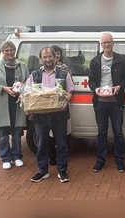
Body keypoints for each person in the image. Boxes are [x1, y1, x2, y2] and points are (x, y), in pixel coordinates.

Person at [26, 46, 75, 183]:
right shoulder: (34, 75)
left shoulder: (64, 74)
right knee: (41, 144)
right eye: (45, 57)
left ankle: (62, 171)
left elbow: (70, 90)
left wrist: (66, 101)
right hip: (40, 116)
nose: (48, 59)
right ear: (41, 59)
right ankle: (42, 171)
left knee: (61, 143)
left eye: (50, 57)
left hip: (59, 115)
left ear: (55, 57)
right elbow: (27, 93)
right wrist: (28, 105)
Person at [88, 33, 125, 173]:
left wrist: (119, 87)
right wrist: (96, 88)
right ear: (101, 44)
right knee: (101, 133)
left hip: (116, 102)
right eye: (104, 42)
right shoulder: (95, 61)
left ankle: (120, 160)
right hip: (100, 102)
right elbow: (91, 81)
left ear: (113, 43)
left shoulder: (121, 60)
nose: (107, 44)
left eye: (109, 42)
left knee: (118, 133)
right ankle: (100, 160)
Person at [0, 41, 29, 170]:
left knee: (17, 132)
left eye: (11, 50)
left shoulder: (22, 65)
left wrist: (21, 87)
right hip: (2, 103)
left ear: (15, 50)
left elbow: (28, 82)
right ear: (2, 52)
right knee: (3, 132)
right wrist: (4, 88)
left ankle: (16, 156)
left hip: (17, 103)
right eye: (6, 50)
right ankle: (5, 157)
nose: (9, 52)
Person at [47, 45, 71, 166]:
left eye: (58, 54)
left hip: (61, 105)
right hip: (47, 105)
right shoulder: (43, 70)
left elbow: (70, 87)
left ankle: (62, 158)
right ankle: (52, 155)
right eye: (53, 54)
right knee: (49, 133)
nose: (56, 56)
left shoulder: (65, 69)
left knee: (62, 133)